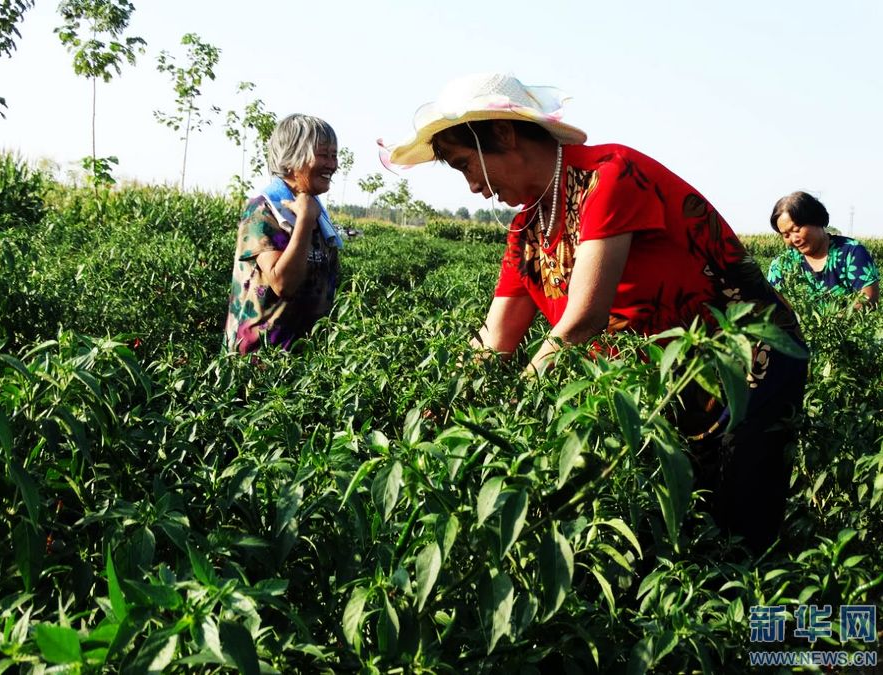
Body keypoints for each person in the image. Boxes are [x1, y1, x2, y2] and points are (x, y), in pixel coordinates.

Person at [383, 73, 809, 552]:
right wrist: (443, 404)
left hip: (746, 359)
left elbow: (583, 319)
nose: (474, 186)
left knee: (736, 518)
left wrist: (518, 408)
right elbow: (495, 338)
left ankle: (764, 616)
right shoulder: (526, 231)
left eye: (466, 164)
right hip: (665, 379)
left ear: (502, 134)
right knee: (680, 521)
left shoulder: (609, 174)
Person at [224, 114, 342, 354]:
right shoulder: (264, 210)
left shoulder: (316, 211)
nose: (332, 164)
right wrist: (305, 220)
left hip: (305, 360)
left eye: (333, 155)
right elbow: (282, 283)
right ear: (292, 159)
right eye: (323, 155)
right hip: (260, 362)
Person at [767, 191, 879, 307]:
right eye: (786, 235)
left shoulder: (851, 252)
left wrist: (831, 321)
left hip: (849, 325)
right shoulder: (780, 266)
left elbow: (868, 298)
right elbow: (772, 308)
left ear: (816, 220)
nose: (794, 239)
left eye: (796, 230)